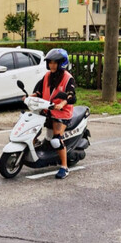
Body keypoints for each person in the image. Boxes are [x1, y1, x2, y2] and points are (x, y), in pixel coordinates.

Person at [30, 48, 76, 179]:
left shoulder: (68, 79)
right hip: (46, 109)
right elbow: (39, 91)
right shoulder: (47, 76)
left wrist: (62, 103)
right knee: (32, 129)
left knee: (56, 140)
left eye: (55, 63)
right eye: (50, 62)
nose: (52, 65)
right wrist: (29, 96)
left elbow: (71, 96)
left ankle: (64, 167)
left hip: (62, 113)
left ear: (62, 63)